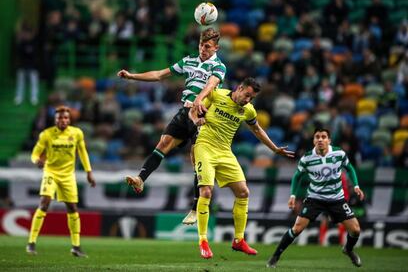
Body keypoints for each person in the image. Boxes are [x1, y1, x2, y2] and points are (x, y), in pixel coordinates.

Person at [117, 28, 225, 225]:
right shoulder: (189, 61)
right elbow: (159, 74)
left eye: (207, 46)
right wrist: (132, 76)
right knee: (164, 142)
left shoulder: (218, 66)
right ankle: (141, 179)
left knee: (196, 158)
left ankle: (195, 208)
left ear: (216, 47)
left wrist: (198, 100)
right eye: (201, 45)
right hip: (185, 112)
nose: (203, 49)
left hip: (203, 114)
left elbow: (211, 85)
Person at [188, 77, 295, 259]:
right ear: (239, 88)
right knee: (206, 192)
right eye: (246, 95)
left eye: (251, 98)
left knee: (243, 192)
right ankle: (203, 241)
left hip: (225, 152)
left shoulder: (248, 110)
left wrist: (274, 148)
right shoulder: (216, 95)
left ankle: (238, 240)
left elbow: (258, 130)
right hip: (204, 146)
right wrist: (196, 120)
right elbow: (193, 111)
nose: (247, 100)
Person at [267, 128, 365, 268]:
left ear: (329, 140)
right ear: (313, 141)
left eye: (324, 137)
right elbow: (297, 176)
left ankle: (348, 250)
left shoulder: (339, 153)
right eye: (317, 137)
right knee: (297, 229)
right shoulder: (307, 158)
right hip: (315, 199)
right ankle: (275, 257)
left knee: (355, 230)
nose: (320, 139)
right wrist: (293, 195)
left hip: (336, 199)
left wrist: (355, 186)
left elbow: (349, 168)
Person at [26, 106, 96, 257]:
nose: (63, 120)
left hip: (68, 175)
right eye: (59, 118)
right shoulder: (46, 134)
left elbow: (82, 152)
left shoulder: (77, 133)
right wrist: (36, 160)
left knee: (72, 208)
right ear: (55, 119)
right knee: (44, 203)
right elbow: (35, 153)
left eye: (65, 118)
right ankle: (31, 242)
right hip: (51, 172)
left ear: (69, 119)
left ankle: (76, 246)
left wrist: (89, 172)